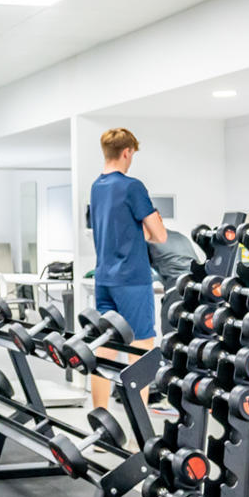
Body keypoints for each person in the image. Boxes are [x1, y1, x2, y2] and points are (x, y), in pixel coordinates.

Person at [87, 128, 167, 411]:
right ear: (127, 152)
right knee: (141, 351)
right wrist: (147, 230)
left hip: (104, 278)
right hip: (132, 279)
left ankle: (100, 420)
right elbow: (160, 235)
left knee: (105, 348)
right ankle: (139, 434)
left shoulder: (97, 187)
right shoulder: (132, 186)